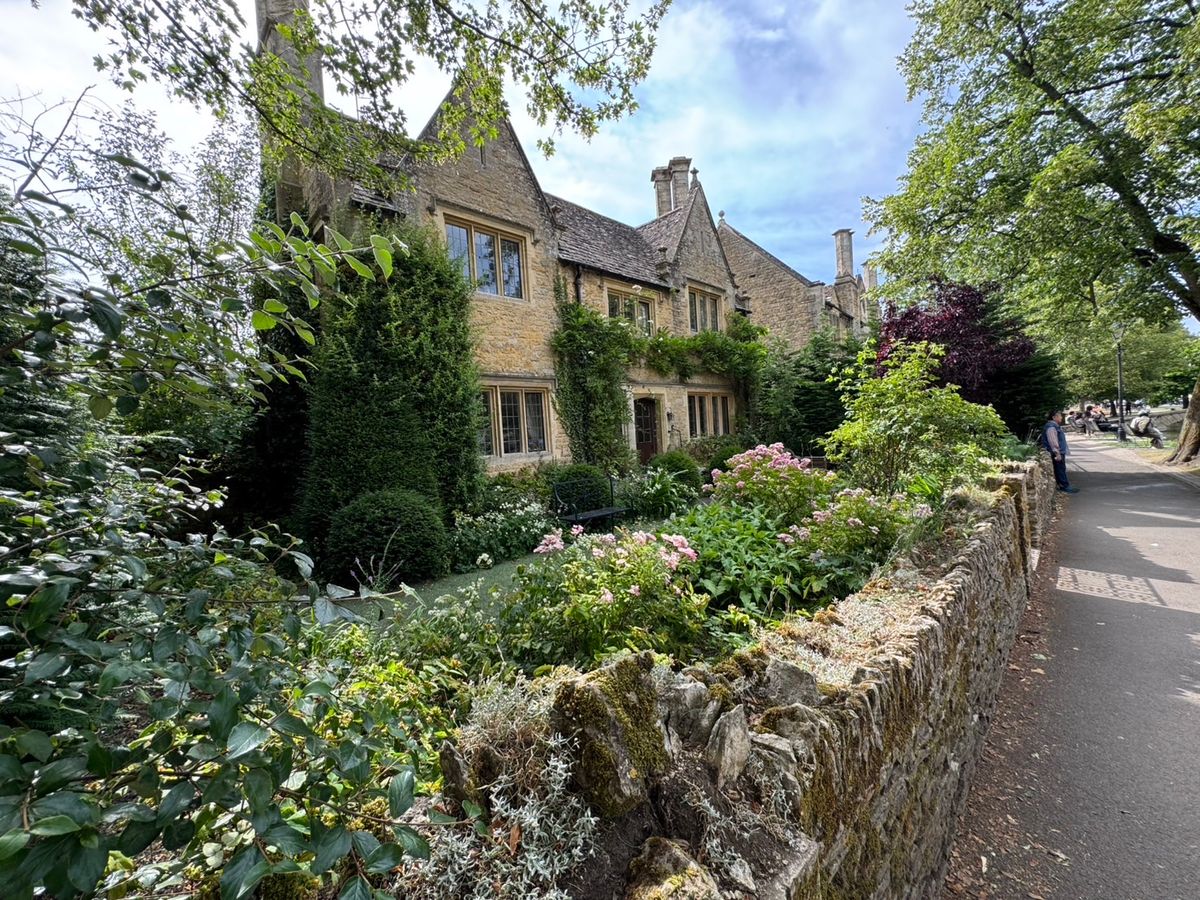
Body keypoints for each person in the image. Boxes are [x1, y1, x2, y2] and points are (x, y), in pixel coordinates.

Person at [1041, 411, 1079, 493]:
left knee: (1060, 468)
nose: (1061, 417)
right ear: (1054, 417)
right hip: (1057, 452)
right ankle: (1064, 486)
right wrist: (1057, 453)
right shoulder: (1051, 427)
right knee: (1060, 469)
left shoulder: (1054, 426)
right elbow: (1053, 441)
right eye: (1060, 416)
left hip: (1058, 451)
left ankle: (1063, 485)